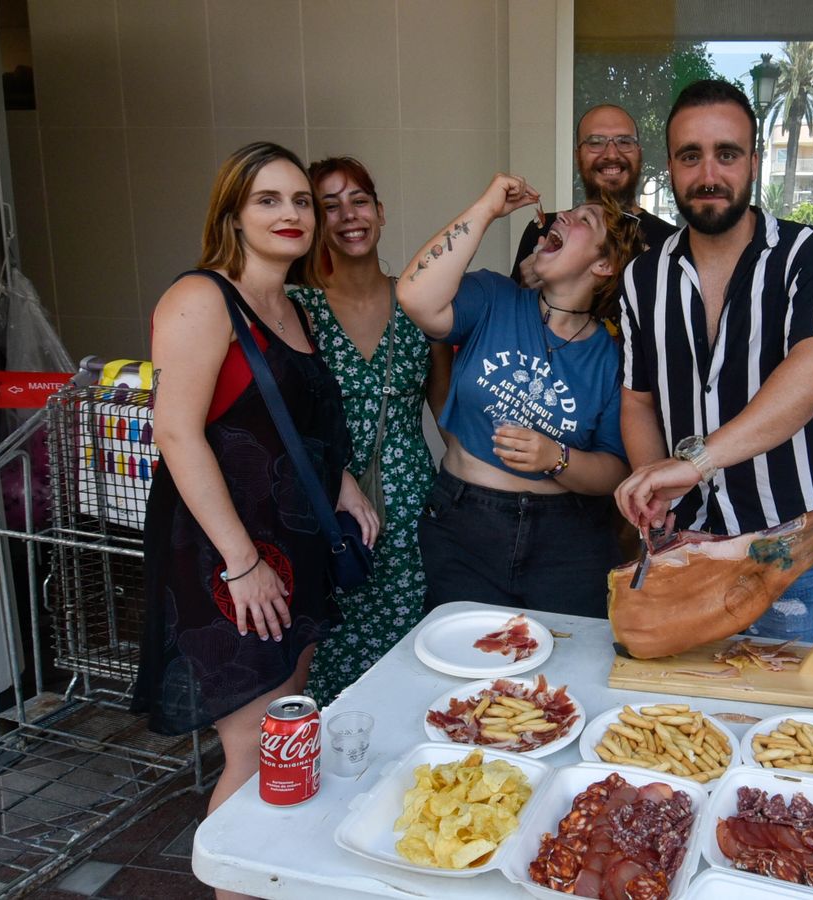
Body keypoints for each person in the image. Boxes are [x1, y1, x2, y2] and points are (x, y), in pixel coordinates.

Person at [132, 142, 377, 898]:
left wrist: (343, 484)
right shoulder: (201, 298)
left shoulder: (293, 308)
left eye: (301, 201)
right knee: (252, 748)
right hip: (229, 562)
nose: (293, 214)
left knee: (286, 737)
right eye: (269, 200)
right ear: (233, 214)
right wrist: (241, 561)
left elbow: (291, 424)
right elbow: (177, 432)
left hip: (292, 553)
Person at [612, 79, 813, 644]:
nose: (708, 175)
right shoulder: (642, 278)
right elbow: (638, 399)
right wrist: (657, 491)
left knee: (769, 707)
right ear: (669, 166)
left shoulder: (809, 252)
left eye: (727, 154)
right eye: (690, 156)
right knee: (680, 715)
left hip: (789, 542)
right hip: (687, 541)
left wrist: (694, 463)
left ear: (754, 162)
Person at [396, 174, 644, 617]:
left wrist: (556, 458)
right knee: (467, 673)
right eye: (566, 212)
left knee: (565, 673)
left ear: (604, 265)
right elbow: (416, 296)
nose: (563, 216)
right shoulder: (494, 297)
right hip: (464, 525)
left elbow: (615, 470)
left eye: (584, 218)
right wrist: (487, 208)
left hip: (567, 541)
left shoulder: (612, 358)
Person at [298, 156, 452, 704]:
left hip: (410, 505)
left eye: (358, 200)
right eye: (328, 206)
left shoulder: (415, 300)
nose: (348, 215)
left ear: (380, 212)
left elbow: (445, 410)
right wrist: (333, 473)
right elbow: (284, 419)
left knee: (411, 655)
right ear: (314, 222)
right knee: (327, 655)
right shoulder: (299, 308)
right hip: (324, 507)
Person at [513, 104, 677, 288]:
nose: (612, 154)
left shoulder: (671, 242)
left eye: (624, 141)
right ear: (577, 157)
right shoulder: (545, 231)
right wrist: (523, 291)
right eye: (595, 142)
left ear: (639, 154)